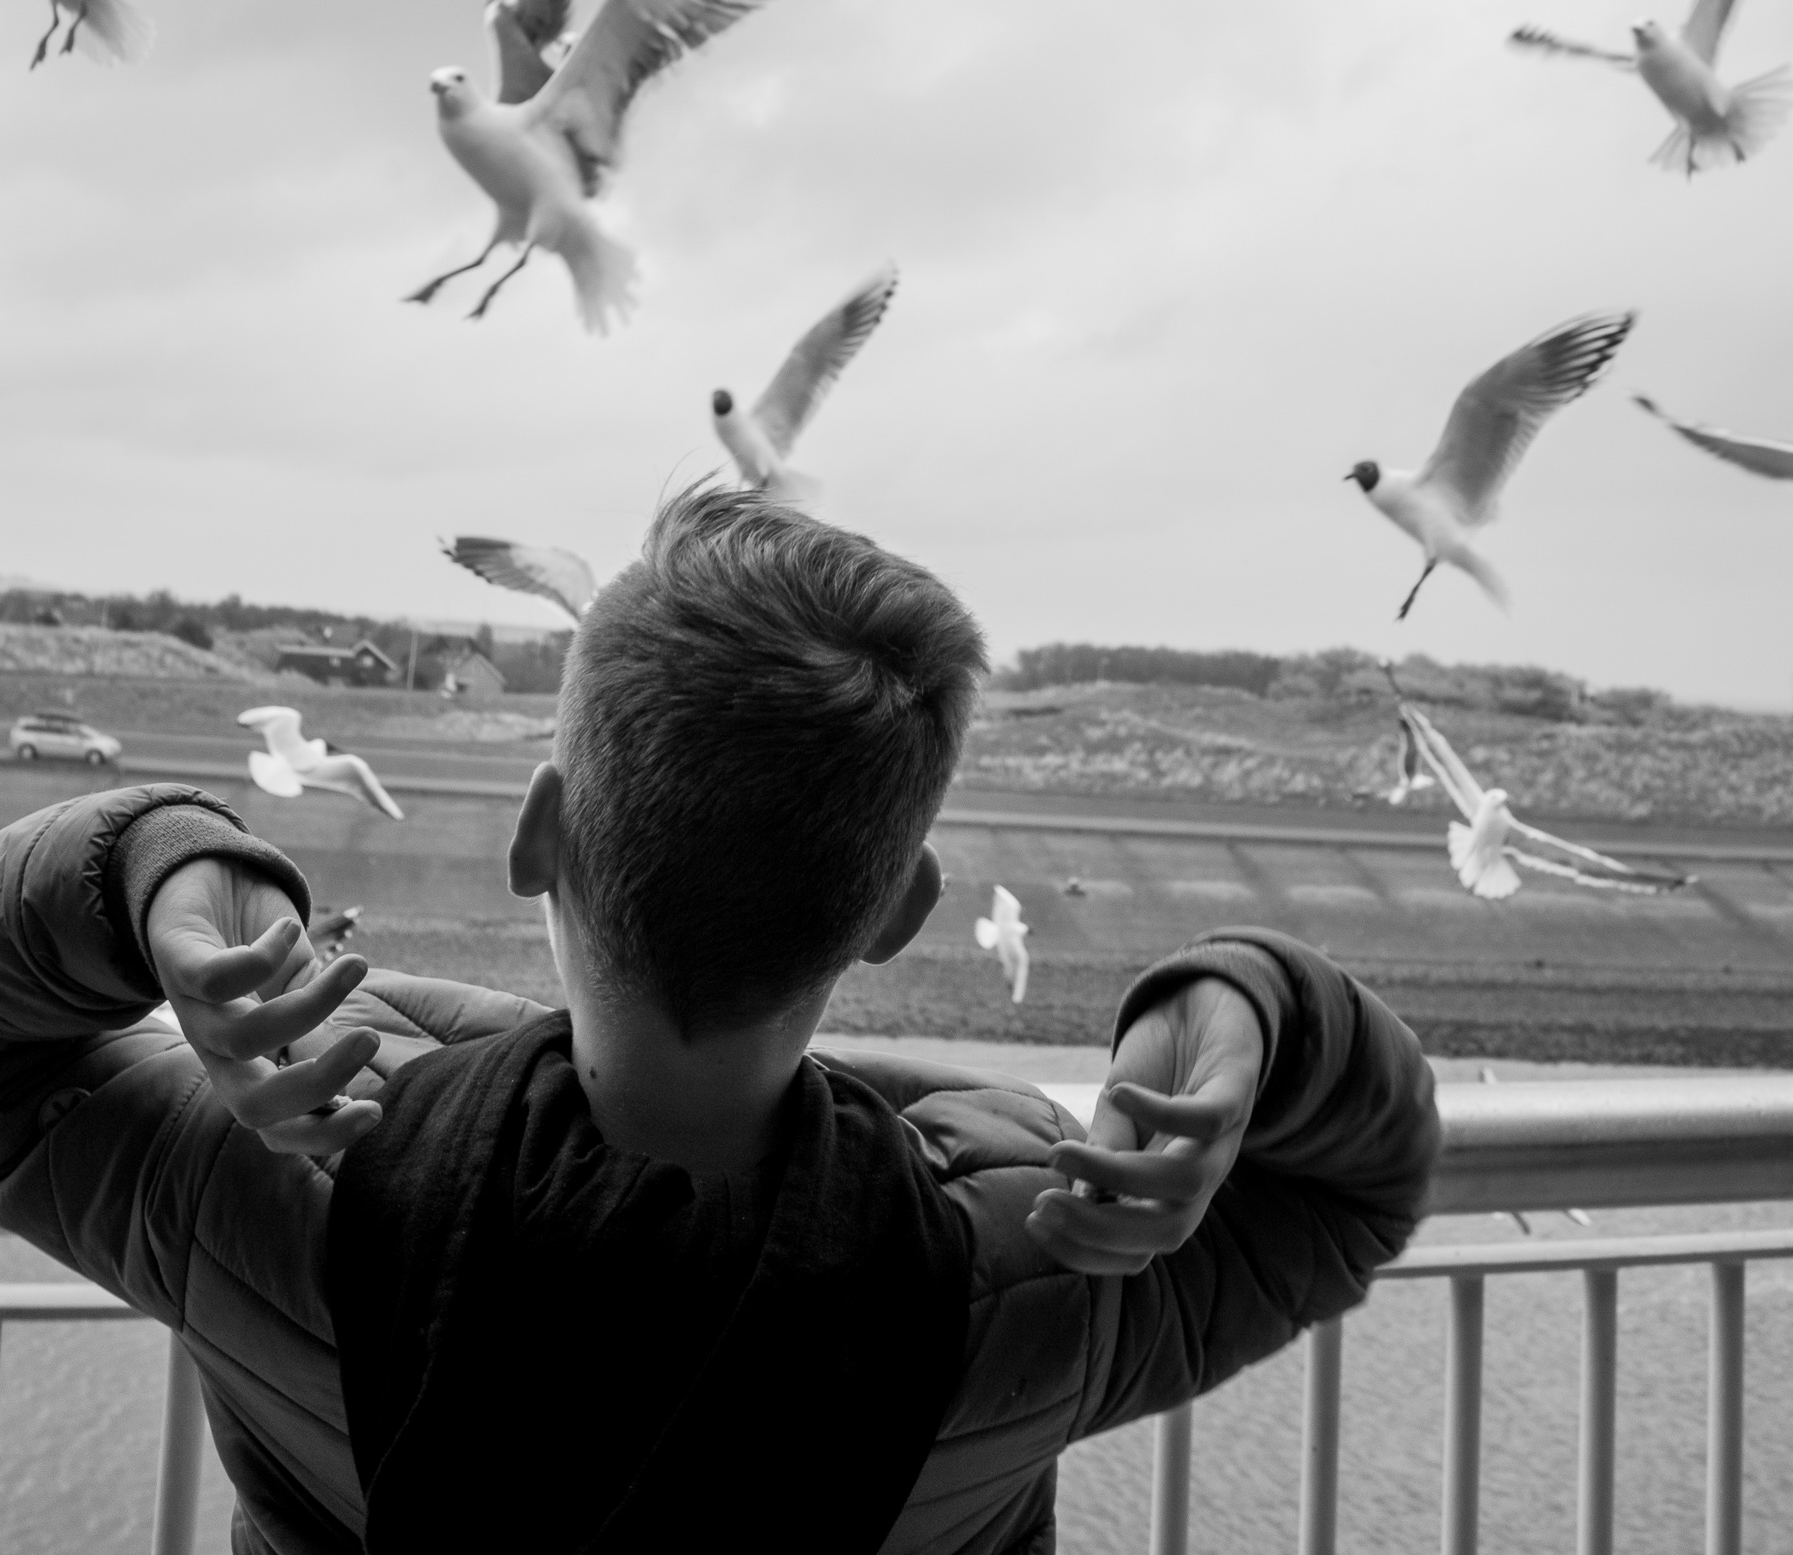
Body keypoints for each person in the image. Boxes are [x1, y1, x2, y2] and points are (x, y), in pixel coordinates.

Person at [0, 487, 1438, 1555]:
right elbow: (1352, 1196)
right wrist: (1245, 1006)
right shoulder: (1041, 1273)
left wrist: (159, 868)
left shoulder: (266, 1173)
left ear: (540, 835)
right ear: (897, 912)